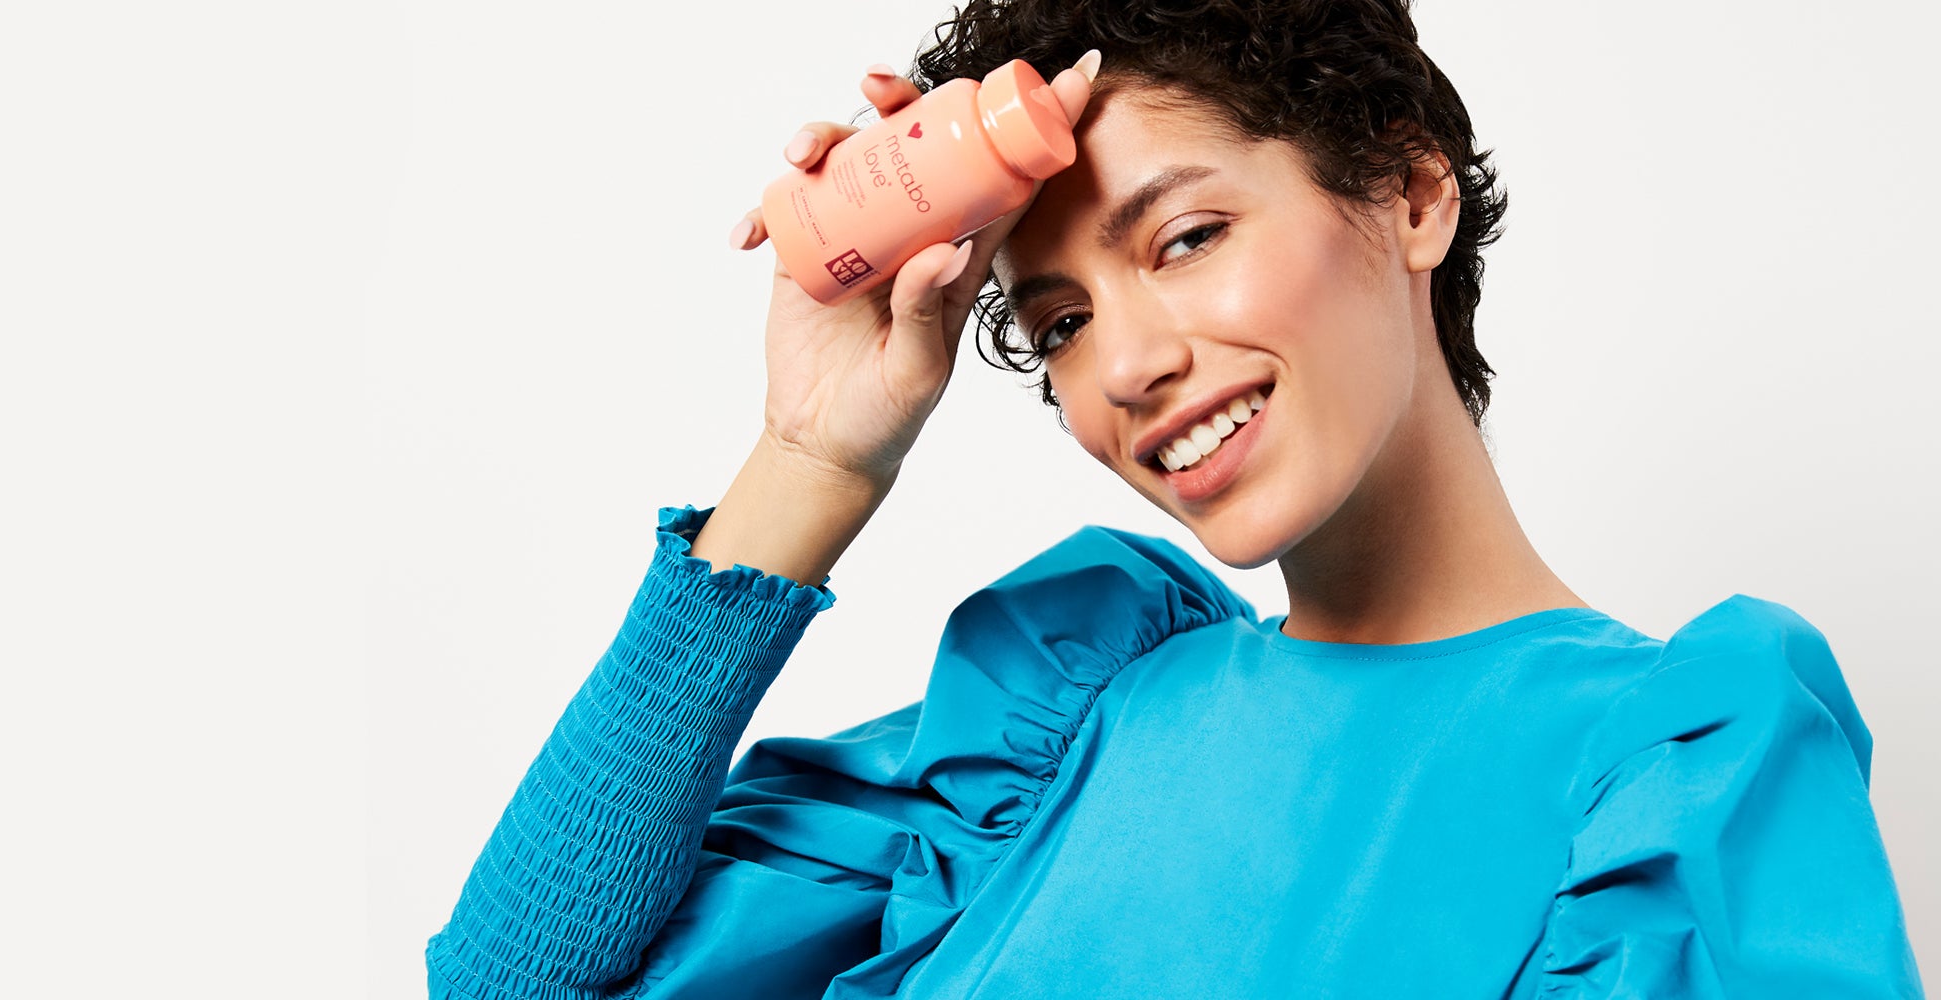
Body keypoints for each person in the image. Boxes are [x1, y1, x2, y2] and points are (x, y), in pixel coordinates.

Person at [424, 0, 1925, 997]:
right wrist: (813, 458)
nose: (1129, 363)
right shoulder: (1062, 721)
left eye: (1189, 237)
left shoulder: (1677, 781)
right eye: (1062, 321)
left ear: (1412, 196)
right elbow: (508, 983)